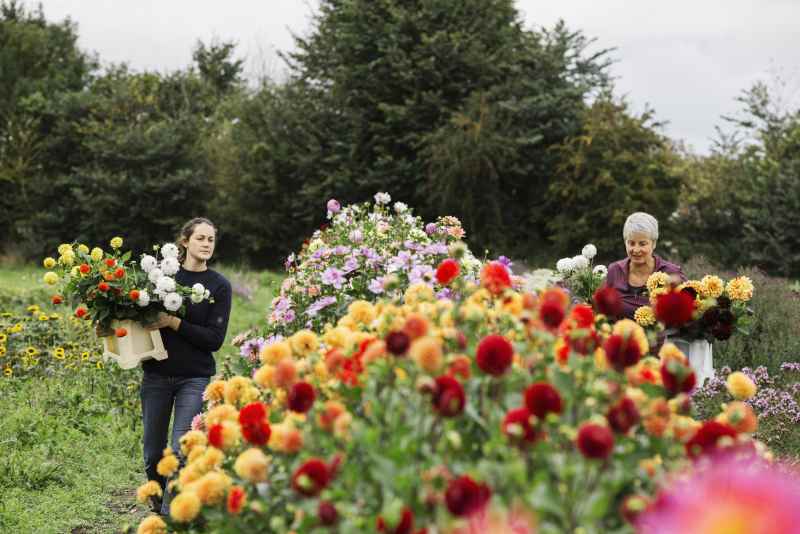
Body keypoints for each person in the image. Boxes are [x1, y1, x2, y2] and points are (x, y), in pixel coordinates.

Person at [139, 217, 232, 515]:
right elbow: (138, 315)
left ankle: (171, 516)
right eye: (200, 238)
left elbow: (214, 339)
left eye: (210, 239)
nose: (206, 244)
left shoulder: (219, 286)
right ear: (184, 241)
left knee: (181, 450)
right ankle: (157, 497)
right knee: (153, 453)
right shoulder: (161, 277)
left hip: (195, 378)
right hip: (156, 375)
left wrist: (174, 322)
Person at [604, 212, 686, 320]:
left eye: (642, 244)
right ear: (625, 243)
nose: (636, 250)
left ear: (654, 243)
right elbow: (605, 312)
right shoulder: (614, 270)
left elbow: (688, 311)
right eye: (631, 243)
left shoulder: (671, 272)